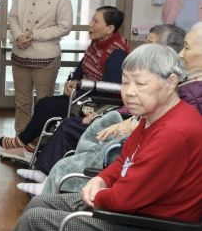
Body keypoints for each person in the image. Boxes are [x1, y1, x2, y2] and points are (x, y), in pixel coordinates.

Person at [0, 44, 202, 231]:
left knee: (38, 221)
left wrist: (97, 195)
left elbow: (124, 199)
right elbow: (123, 160)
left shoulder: (174, 133)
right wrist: (100, 179)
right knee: (40, 202)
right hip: (131, 213)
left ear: (171, 82)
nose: (129, 92)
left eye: (140, 84)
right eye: (125, 82)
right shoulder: (156, 116)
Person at [17, 23, 189, 196]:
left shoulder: (123, 57)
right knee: (50, 107)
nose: (145, 47)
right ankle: (46, 173)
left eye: (151, 43)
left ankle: (49, 176)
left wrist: (105, 117)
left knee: (67, 123)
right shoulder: (99, 49)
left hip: (113, 115)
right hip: (118, 115)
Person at [1, 6, 129, 162]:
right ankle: (29, 146)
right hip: (82, 94)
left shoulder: (116, 53)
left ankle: (22, 143)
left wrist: (79, 87)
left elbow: (110, 88)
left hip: (96, 103)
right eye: (91, 20)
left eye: (96, 22)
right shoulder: (97, 43)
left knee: (47, 107)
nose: (90, 25)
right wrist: (73, 81)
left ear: (109, 29)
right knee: (44, 103)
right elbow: (83, 65)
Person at [7, 0, 73, 136]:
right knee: (21, 102)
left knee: (44, 103)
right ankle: (21, 137)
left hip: (46, 58)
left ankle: (39, 140)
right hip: (20, 54)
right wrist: (18, 36)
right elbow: (13, 16)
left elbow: (64, 27)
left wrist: (34, 35)